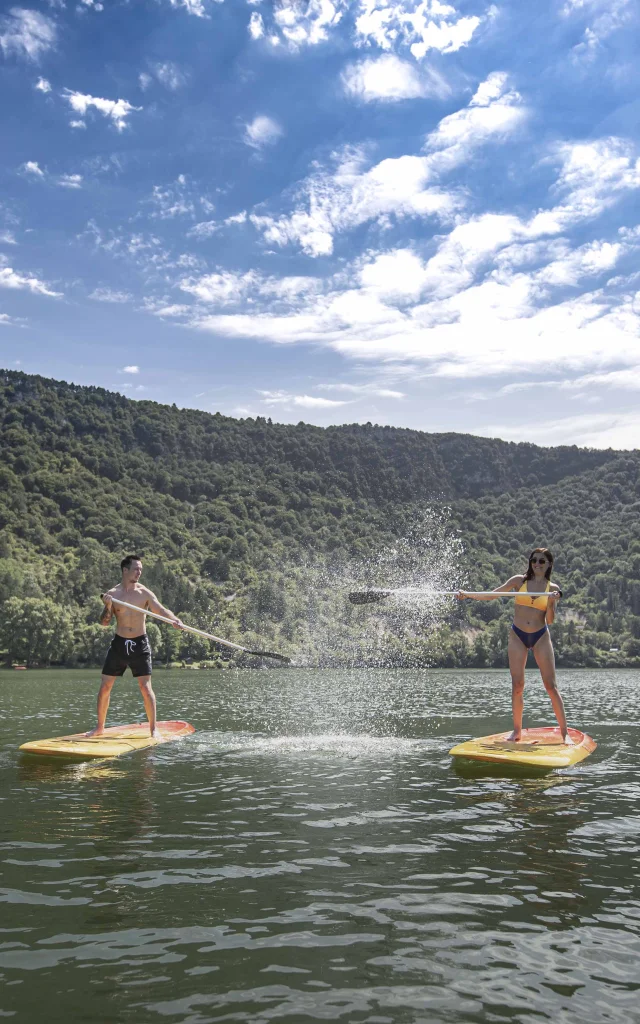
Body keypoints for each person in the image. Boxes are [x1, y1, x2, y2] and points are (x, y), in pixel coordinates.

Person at [458, 548, 572, 743]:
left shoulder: (552, 588)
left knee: (551, 686)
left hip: (540, 636)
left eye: (541, 561)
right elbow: (491, 595)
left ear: (549, 564)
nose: (537, 564)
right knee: (517, 685)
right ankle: (517, 731)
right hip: (517, 636)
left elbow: (550, 620)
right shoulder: (518, 581)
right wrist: (467, 595)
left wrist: (552, 603)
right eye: (534, 560)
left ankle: (565, 734)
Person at [86, 555, 184, 739]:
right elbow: (105, 622)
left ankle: (153, 729)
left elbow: (161, 610)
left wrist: (174, 620)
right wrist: (108, 606)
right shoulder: (113, 594)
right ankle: (99, 727)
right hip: (119, 644)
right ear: (125, 570)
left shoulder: (144, 593)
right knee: (105, 686)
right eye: (136, 569)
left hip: (140, 644)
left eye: (141, 569)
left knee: (146, 688)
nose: (139, 572)